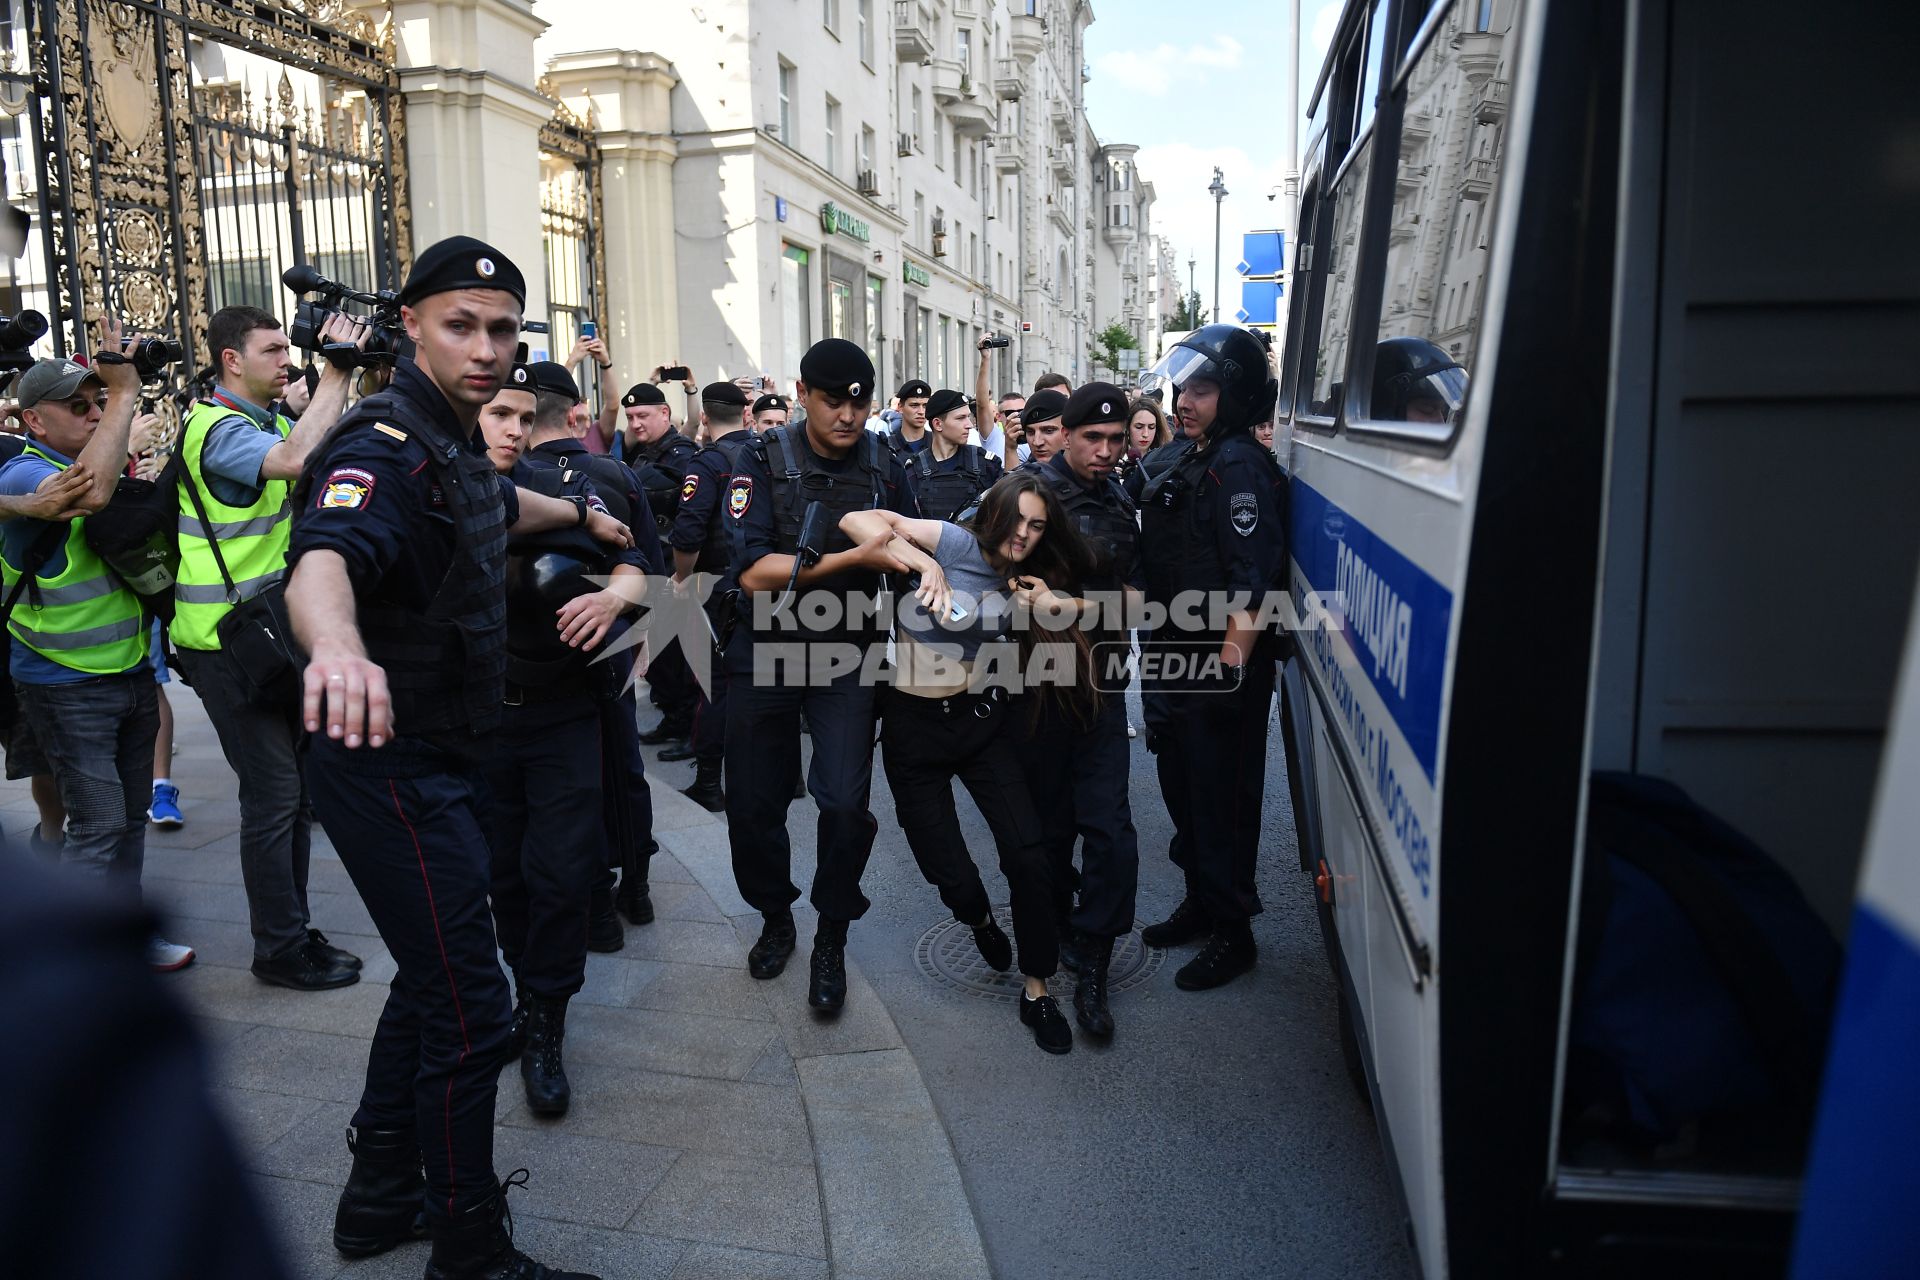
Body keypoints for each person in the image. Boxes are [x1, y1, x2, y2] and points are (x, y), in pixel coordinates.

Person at [283, 235, 628, 1280]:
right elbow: (324, 559)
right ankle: (471, 1250)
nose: (485, 348)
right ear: (412, 327)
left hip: (443, 753)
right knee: (478, 1014)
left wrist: (580, 512)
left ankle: (379, 1194)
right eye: (460, 326)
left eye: (501, 329)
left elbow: (490, 497)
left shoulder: (448, 438)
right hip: (387, 760)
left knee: (435, 981)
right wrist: (338, 648)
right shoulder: (380, 442)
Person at [841, 473, 1105, 1054]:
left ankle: (1036, 988)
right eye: (1017, 521)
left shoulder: (1027, 577)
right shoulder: (956, 544)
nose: (1024, 534)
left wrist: (1050, 601)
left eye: (1037, 526)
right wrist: (922, 564)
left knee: (1029, 855)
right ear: (996, 514)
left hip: (983, 724)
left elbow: (1119, 607)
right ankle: (980, 921)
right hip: (913, 733)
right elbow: (857, 520)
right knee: (951, 872)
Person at [173, 303, 368, 990]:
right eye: (273, 348)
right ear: (232, 359)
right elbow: (294, 461)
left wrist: (339, 384)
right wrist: (335, 372)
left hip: (265, 638)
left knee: (289, 799)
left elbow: (323, 447)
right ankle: (279, 947)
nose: (288, 357)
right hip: (225, 645)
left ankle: (292, 931)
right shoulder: (217, 428)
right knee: (275, 796)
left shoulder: (263, 417)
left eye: (290, 347)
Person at [724, 337, 919, 1013]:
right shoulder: (760, 456)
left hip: (848, 652)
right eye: (832, 400)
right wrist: (852, 555)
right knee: (754, 803)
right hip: (767, 647)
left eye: (858, 402)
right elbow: (752, 575)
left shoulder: (886, 462)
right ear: (802, 392)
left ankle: (832, 931)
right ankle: (776, 916)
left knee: (843, 802)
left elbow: (916, 548)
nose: (845, 414)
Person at [479, 361, 652, 1119]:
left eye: (523, 416)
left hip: (561, 715)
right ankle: (523, 997)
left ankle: (547, 1018)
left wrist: (616, 590)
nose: (513, 430)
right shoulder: (438, 486)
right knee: (503, 877)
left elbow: (637, 559)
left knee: (558, 875)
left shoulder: (579, 489)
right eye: (496, 415)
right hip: (477, 720)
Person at [0, 336, 194, 972]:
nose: (92, 412)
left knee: (129, 822)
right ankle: (75, 962)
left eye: (95, 400)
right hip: (63, 683)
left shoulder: (99, 456)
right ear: (32, 420)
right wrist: (124, 394)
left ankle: (119, 937)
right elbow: (90, 496)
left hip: (130, 674)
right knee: (100, 823)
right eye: (77, 405)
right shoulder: (23, 474)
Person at [1136, 325, 1288, 991]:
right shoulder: (1196, 457)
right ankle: (1201, 902)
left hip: (1216, 671)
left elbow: (1251, 585)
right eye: (1182, 387)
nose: (1184, 400)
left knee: (1222, 802)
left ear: (1235, 393)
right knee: (1187, 797)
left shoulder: (1240, 467)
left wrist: (1227, 674)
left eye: (1202, 388)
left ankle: (1234, 931)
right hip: (1175, 661)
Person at [1023, 384, 1145, 1036]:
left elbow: (1135, 595)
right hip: (1039, 689)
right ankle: (1056, 930)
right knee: (1047, 828)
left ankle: (1094, 957)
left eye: (1116, 439)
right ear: (1063, 434)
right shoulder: (1025, 497)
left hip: (1102, 687)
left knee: (1110, 830)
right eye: (1092, 438)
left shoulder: (1122, 500)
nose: (1104, 451)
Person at [524, 371, 664, 931]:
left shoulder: (516, 480)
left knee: (568, 782)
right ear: (574, 415)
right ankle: (636, 886)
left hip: (541, 654)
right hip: (612, 645)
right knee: (623, 764)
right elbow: (648, 567)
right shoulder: (615, 474)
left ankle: (597, 899)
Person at [667, 381, 755, 811]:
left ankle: (707, 781)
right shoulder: (767, 454)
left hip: (717, 587)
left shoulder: (707, 464)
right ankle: (789, 776)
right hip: (765, 582)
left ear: (704, 418)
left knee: (714, 684)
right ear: (747, 415)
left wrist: (682, 579)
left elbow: (688, 532)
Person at [621, 381, 702, 755]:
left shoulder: (682, 454)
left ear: (665, 414)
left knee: (676, 656)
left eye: (643, 415)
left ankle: (689, 728)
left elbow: (689, 516)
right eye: (631, 416)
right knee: (658, 657)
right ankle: (674, 717)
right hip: (648, 563)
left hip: (672, 566)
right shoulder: (642, 451)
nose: (636, 423)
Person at [904, 388, 1001, 521]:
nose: (969, 425)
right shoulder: (914, 470)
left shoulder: (987, 465)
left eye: (968, 417)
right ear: (938, 424)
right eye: (960, 418)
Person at [1114, 396, 1171, 488]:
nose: (1145, 434)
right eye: (1139, 427)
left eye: (1151, 427)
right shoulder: (1113, 458)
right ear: (1127, 428)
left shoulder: (1167, 459)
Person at [1017, 388, 1068, 468]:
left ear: (1068, 434)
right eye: (1030, 432)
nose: (1037, 442)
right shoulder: (1020, 477)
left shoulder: (1088, 474)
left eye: (1048, 431)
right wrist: (1010, 449)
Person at [886, 378, 932, 459]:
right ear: (900, 407)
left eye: (925, 406)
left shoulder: (938, 443)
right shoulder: (887, 447)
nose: (921, 411)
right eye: (914, 405)